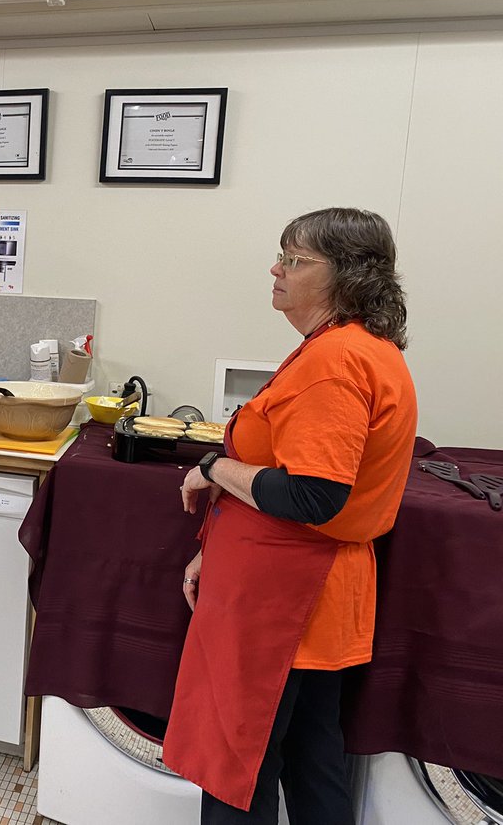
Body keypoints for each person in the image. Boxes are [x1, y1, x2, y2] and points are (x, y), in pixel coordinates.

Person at [162, 208, 418, 824]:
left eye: (296, 259)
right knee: (311, 757)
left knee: (239, 765)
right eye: (281, 254)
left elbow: (312, 496)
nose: (277, 269)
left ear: (350, 275)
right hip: (313, 597)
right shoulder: (351, 349)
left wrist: (213, 469)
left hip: (281, 605)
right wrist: (212, 549)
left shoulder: (334, 362)